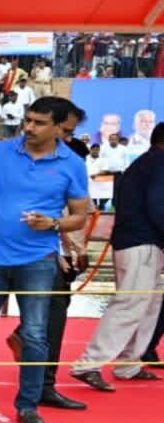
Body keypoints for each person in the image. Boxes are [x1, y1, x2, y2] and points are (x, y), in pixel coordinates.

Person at [0, 97, 91, 423]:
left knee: (36, 336)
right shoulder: (0, 150)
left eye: (39, 122)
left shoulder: (72, 163)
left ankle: (28, 406)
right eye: (28, 120)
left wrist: (52, 223)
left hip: (38, 261)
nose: (29, 127)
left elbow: (80, 217)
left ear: (57, 126)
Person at [69, 123, 164, 391]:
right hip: (141, 242)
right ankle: (88, 363)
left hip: (138, 241)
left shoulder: (144, 164)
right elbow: (159, 204)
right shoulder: (158, 164)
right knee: (131, 303)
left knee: (149, 303)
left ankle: (129, 362)